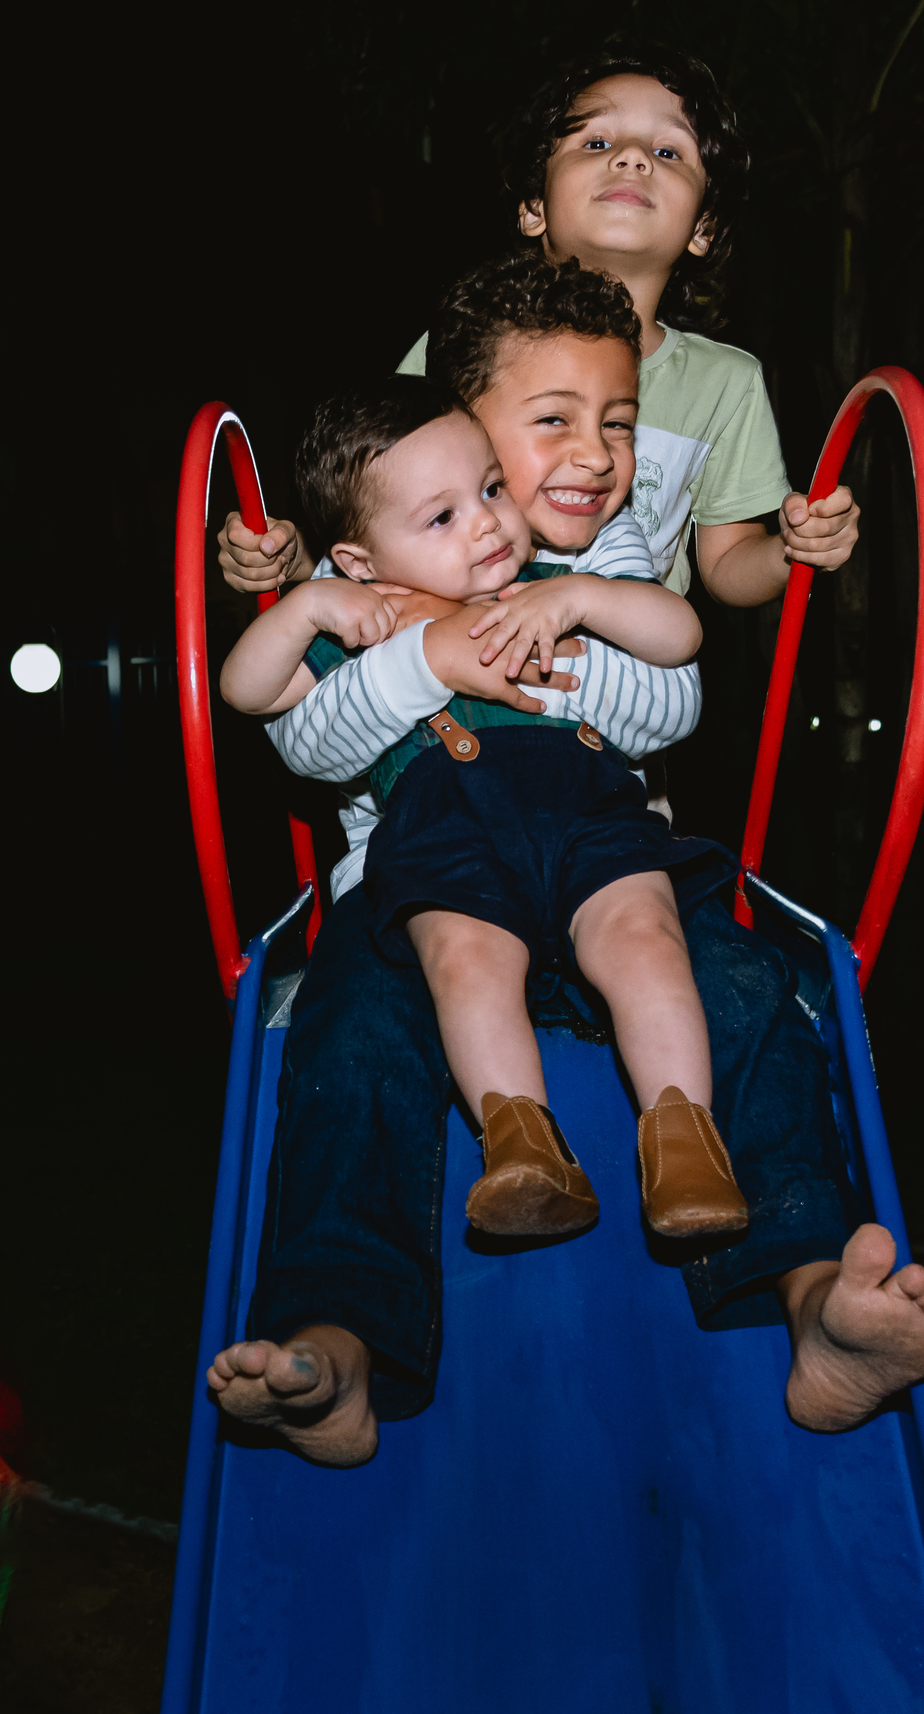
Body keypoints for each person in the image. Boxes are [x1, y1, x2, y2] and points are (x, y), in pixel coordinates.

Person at [208, 63, 924, 1467]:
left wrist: (562, 620)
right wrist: (369, 622)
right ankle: (338, 1346)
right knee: (354, 1030)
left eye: (608, 426)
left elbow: (669, 669)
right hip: (426, 886)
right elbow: (308, 718)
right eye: (526, 436)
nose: (575, 458)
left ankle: (816, 1302)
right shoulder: (392, 570)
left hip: (606, 854)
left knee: (747, 986)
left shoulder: (602, 554)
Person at [220, 364, 749, 1242]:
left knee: (646, 939)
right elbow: (248, 691)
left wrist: (579, 596)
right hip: (445, 841)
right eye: (443, 517)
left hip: (591, 817)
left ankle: (684, 1138)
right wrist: (309, 603)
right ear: (359, 559)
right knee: (466, 964)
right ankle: (523, 1146)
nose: (489, 525)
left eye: (492, 489)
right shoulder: (369, 618)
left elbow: (681, 634)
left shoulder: (555, 577)